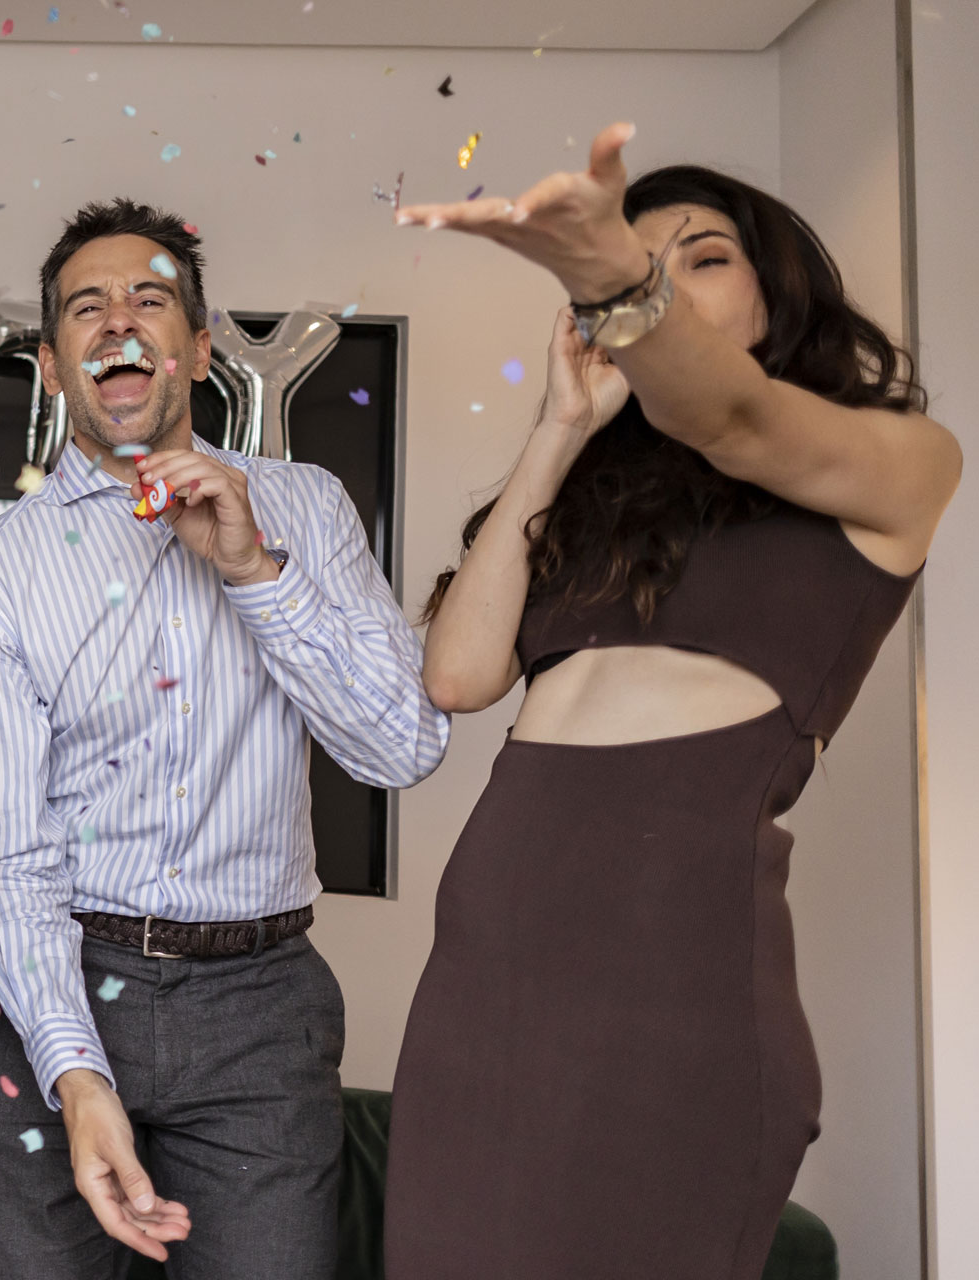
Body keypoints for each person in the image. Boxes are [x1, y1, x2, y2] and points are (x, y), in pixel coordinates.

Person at [383, 128, 961, 1280]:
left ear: (776, 287)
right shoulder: (598, 498)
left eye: (701, 259)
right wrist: (559, 429)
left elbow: (731, 419)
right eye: (642, 268)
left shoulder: (899, 459)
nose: (666, 287)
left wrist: (609, 273)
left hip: (673, 976)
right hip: (490, 966)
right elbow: (457, 674)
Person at [0, 198, 449, 1278]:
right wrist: (75, 1073)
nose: (118, 320)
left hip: (261, 1008)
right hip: (51, 985)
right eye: (87, 306)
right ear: (53, 362)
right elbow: (12, 862)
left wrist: (255, 571)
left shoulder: (308, 509)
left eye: (149, 299)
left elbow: (400, 747)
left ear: (201, 348)